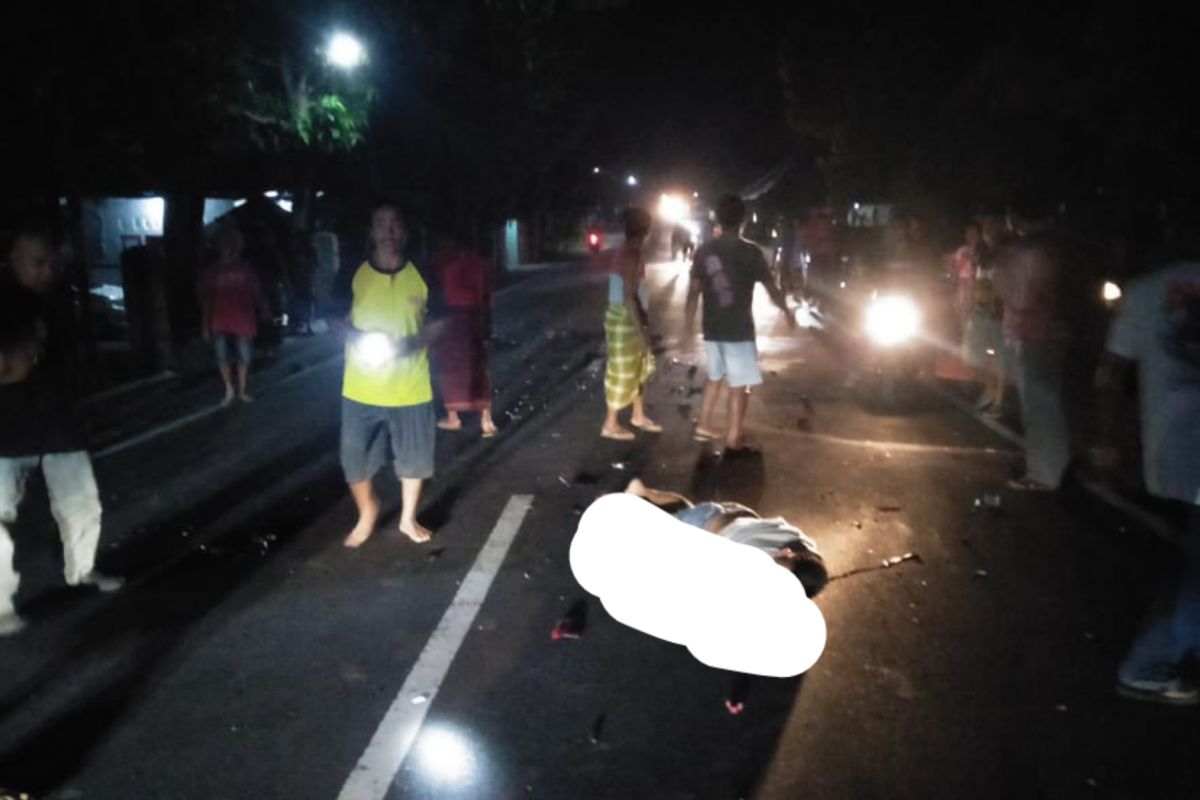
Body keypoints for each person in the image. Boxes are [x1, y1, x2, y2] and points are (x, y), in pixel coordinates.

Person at [1091, 222, 1200, 705]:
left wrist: (1109, 441)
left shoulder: (1144, 291)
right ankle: (1150, 663)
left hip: (1170, 443)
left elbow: (1109, 377)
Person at [1, 227, 122, 636]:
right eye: (38, 262)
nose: (47, 271)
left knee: (82, 504)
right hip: (5, 430)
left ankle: (82, 570)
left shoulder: (59, 299)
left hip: (58, 422)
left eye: (53, 263)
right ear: (14, 257)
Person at [334, 203, 438, 548]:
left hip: (411, 386)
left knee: (414, 458)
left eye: (396, 225)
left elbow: (441, 321)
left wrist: (410, 345)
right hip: (360, 387)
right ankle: (367, 510)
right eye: (382, 225)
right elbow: (335, 318)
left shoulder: (423, 271)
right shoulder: (354, 272)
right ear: (372, 232)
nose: (389, 232)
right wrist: (355, 338)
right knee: (353, 458)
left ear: (405, 232)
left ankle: (408, 518)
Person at [686, 194, 795, 452]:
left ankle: (704, 423)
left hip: (712, 328)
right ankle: (734, 435)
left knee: (715, 376)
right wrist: (787, 310)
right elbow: (772, 289)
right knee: (740, 384)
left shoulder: (704, 251)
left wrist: (686, 325)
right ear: (742, 220)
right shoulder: (751, 252)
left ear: (718, 219)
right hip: (739, 330)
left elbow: (693, 292)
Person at [620, 478, 828, 597]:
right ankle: (619, 504)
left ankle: (644, 492)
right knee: (654, 533)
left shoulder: (805, 545)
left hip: (731, 512)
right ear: (786, 552)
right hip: (704, 527)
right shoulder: (754, 559)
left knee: (689, 509)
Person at [993, 204, 1071, 491]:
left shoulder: (1025, 252)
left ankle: (1041, 474)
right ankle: (1058, 467)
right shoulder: (1056, 248)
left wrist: (1002, 259)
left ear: (1015, 218)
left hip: (1031, 334)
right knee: (1050, 406)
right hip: (1056, 332)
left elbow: (1015, 295)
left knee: (1037, 410)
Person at [601, 207, 660, 441]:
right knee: (622, 370)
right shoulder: (630, 254)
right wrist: (641, 332)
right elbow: (628, 296)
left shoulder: (630, 252)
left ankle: (638, 415)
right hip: (625, 319)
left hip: (627, 316)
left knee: (639, 368)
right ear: (646, 229)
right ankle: (611, 423)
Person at [430, 230, 497, 438]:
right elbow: (485, 293)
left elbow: (436, 291)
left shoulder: (441, 260)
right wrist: (486, 322)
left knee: (450, 370)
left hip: (451, 319)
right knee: (479, 368)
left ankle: (453, 417)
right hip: (475, 318)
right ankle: (486, 421)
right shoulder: (477, 262)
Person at [198, 223, 263, 406]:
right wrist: (205, 325)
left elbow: (256, 292)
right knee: (222, 356)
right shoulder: (213, 271)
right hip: (220, 319)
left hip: (242, 318)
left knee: (244, 356)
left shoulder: (245, 269)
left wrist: (263, 310)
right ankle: (229, 389)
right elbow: (207, 299)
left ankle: (241, 390)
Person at [961, 219, 1008, 415]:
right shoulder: (979, 254)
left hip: (999, 312)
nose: (989, 233)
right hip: (980, 311)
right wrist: (967, 304)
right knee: (973, 355)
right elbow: (972, 280)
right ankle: (989, 387)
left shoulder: (1008, 254)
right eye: (987, 230)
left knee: (1000, 357)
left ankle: (998, 399)